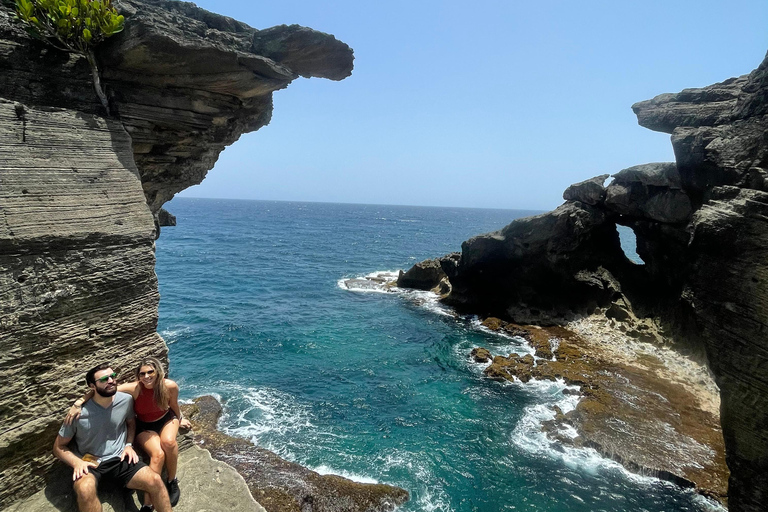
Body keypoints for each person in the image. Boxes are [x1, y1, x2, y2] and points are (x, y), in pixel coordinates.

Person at [66, 357, 191, 509]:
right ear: (138, 376)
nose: (146, 377)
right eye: (142, 374)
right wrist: (78, 402)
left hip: (166, 419)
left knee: (169, 443)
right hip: (145, 426)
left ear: (158, 372)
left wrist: (180, 418)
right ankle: (147, 505)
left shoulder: (169, 386)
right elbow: (103, 390)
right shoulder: (134, 388)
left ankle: (172, 481)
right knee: (158, 454)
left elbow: (174, 405)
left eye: (150, 372)